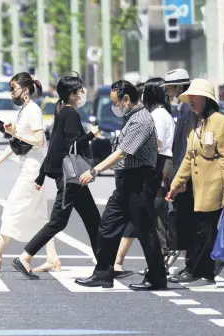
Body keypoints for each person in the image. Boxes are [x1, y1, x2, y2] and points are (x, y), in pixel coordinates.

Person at [76, 80, 166, 291]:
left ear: (126, 99)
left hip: (140, 182)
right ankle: (103, 274)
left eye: (115, 102)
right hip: (126, 183)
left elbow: (122, 152)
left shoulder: (141, 120)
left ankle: (157, 277)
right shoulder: (131, 117)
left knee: (146, 232)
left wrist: (94, 170)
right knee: (107, 227)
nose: (114, 107)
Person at [13, 75, 102, 279]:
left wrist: (42, 175)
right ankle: (25, 257)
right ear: (71, 95)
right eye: (80, 91)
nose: (82, 94)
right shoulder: (70, 113)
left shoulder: (61, 109)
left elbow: (55, 144)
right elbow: (72, 145)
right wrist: (91, 135)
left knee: (93, 219)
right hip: (69, 179)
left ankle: (105, 265)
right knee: (58, 222)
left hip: (71, 178)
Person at [0, 72, 57, 271]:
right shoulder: (25, 110)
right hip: (30, 168)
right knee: (39, 217)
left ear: (25, 90)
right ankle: (53, 258)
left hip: (33, 170)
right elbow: (16, 144)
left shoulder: (33, 111)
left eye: (13, 89)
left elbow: (39, 140)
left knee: (11, 208)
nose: (11, 93)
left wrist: (16, 132)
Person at [166, 78, 224, 288]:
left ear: (206, 99)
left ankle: (200, 272)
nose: (191, 101)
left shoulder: (221, 122)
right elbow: (188, 158)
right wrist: (175, 184)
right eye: (189, 97)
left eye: (194, 97)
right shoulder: (197, 124)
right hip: (198, 188)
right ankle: (206, 270)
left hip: (215, 187)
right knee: (201, 230)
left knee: (205, 232)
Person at [113, 77, 176, 277]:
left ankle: (159, 260)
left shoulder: (156, 115)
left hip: (157, 165)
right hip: (160, 163)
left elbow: (154, 144)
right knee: (149, 216)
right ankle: (154, 263)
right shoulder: (162, 113)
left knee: (149, 216)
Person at [163, 69, 194, 273]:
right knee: (187, 220)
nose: (168, 92)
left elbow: (186, 147)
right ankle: (190, 264)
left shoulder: (188, 110)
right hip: (185, 174)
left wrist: (180, 178)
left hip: (188, 176)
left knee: (191, 221)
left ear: (180, 88)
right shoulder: (183, 109)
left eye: (170, 88)